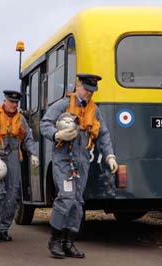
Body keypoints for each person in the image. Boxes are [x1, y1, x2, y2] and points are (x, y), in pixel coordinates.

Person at [40, 73, 118, 259]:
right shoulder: (63, 105)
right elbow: (45, 124)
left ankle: (69, 242)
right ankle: (55, 240)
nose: (89, 94)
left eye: (92, 91)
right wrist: (57, 135)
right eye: (86, 89)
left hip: (82, 162)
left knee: (77, 202)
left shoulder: (94, 110)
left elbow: (103, 134)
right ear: (78, 86)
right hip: (63, 160)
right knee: (66, 198)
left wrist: (110, 155)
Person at [0, 90, 39, 242]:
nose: (13, 105)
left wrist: (34, 153)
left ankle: (4, 228)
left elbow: (28, 139)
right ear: (4, 101)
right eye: (11, 102)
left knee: (13, 194)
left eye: (16, 103)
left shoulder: (21, 119)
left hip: (13, 158)